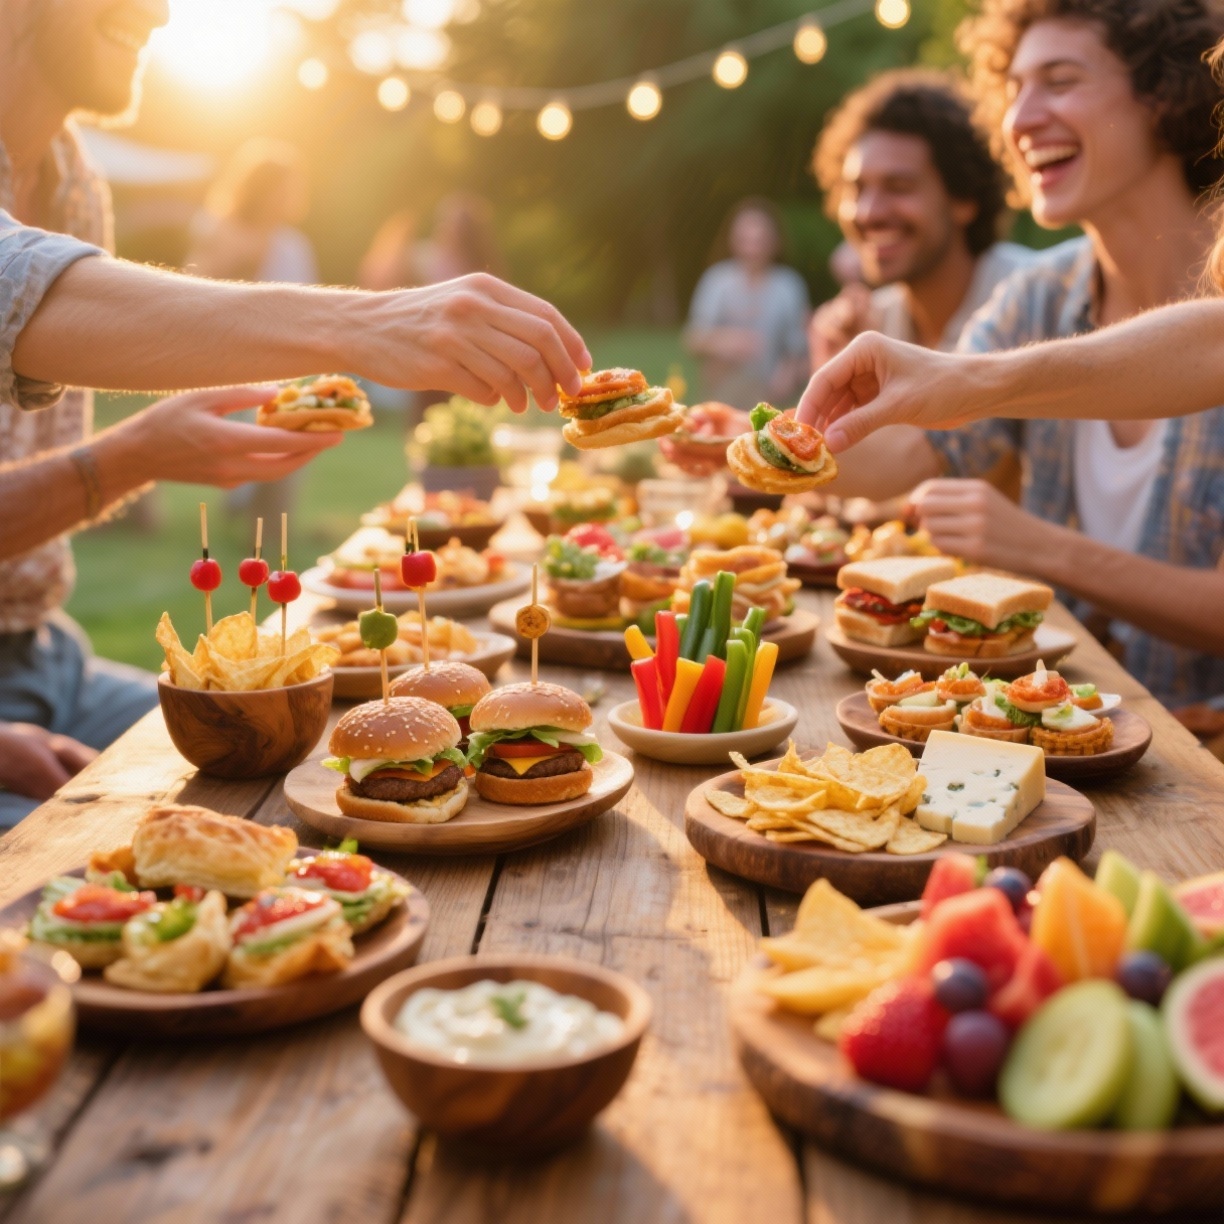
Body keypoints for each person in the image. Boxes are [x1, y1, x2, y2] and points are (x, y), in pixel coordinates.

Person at [0, 0, 587, 821]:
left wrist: (141, 452)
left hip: (52, 656)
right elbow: (14, 284)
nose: (161, 12)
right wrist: (362, 324)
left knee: (300, 805)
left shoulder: (75, 185)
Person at [803, 0, 1224, 709]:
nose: (1018, 119)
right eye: (1016, 89)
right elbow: (911, 451)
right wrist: (771, 443)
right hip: (1065, 738)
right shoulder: (1037, 296)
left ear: (1163, 91)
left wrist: (1039, 549)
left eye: (1059, 81)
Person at [809, 68, 1034, 363]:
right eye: (857, 189)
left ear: (964, 199)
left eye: (899, 187)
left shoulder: (1041, 298)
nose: (867, 212)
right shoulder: (869, 331)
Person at [188, 139, 321, 525]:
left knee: (283, 435)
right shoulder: (219, 230)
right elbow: (194, 290)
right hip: (234, 360)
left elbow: (310, 303)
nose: (290, 196)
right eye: (283, 186)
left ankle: (271, 519)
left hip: (285, 363)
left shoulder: (294, 245)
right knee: (243, 439)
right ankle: (242, 507)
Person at [684, 198, 811, 409]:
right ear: (733, 241)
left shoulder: (789, 285)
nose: (753, 249)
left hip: (771, 396)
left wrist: (790, 373)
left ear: (775, 242)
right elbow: (692, 339)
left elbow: (802, 349)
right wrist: (726, 341)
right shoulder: (717, 281)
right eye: (746, 240)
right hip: (723, 395)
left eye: (760, 240)